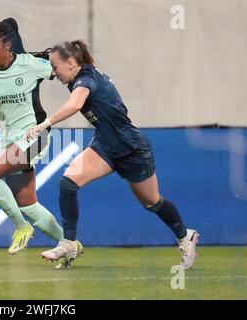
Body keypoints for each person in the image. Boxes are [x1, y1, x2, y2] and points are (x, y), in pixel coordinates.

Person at [26, 40, 199, 269]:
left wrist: (44, 124)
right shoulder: (75, 69)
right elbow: (51, 54)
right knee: (68, 183)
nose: (54, 73)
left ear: (70, 63)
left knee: (152, 202)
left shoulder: (86, 79)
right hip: (105, 146)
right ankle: (69, 243)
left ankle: (186, 237)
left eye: (56, 68)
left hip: (131, 148)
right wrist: (26, 56)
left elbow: (76, 104)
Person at [0, 19, 82, 267]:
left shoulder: (30, 65)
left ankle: (21, 228)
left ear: (8, 46)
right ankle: (69, 245)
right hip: (10, 141)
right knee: (28, 204)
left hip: (34, 136)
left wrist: (86, 88)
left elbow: (65, 70)